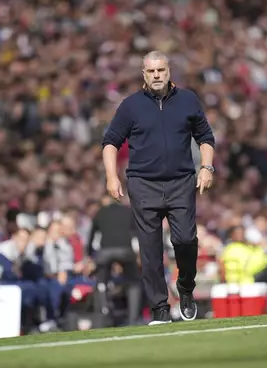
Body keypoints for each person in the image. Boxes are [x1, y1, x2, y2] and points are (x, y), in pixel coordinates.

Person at [101, 51, 216, 325]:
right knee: (150, 249)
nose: (156, 75)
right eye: (151, 71)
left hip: (181, 182)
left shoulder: (188, 100)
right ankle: (160, 309)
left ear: (169, 72)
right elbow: (110, 143)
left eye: (161, 70)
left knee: (186, 240)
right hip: (143, 184)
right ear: (143, 74)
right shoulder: (130, 106)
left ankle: (186, 287)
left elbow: (205, 137)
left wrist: (207, 167)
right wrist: (111, 177)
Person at [88, 194, 142, 326]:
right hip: (125, 250)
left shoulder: (101, 212)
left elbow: (92, 235)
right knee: (134, 282)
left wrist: (90, 255)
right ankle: (133, 318)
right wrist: (137, 253)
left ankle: (102, 315)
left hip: (105, 251)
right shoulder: (128, 211)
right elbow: (136, 233)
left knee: (101, 281)